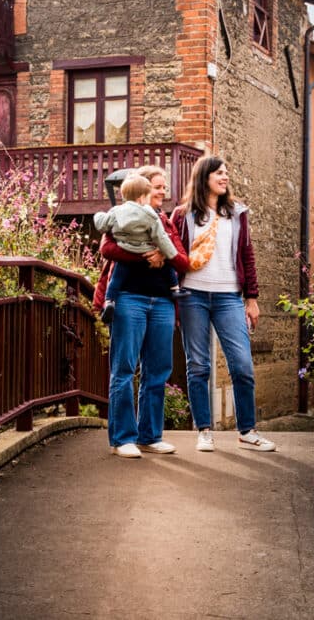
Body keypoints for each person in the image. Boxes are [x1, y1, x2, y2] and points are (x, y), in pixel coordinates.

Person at [171, 155, 276, 453]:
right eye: (219, 172)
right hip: (193, 296)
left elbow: (247, 256)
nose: (225, 176)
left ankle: (248, 431)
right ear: (204, 177)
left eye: (227, 172)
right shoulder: (183, 215)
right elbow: (172, 254)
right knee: (198, 366)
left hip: (229, 297)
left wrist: (251, 299)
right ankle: (204, 430)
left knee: (242, 365)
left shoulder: (237, 214)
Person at [95, 164, 190, 459]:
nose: (163, 192)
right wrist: (146, 254)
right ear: (142, 189)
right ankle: (123, 438)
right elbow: (108, 249)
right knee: (124, 368)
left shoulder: (166, 221)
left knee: (158, 369)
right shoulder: (123, 215)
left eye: (164, 187)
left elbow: (182, 259)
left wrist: (164, 253)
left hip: (162, 300)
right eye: (158, 186)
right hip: (129, 298)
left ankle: (150, 435)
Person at [92, 172, 181, 319]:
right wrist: (170, 254)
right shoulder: (150, 214)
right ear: (141, 197)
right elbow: (160, 236)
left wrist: (98, 215)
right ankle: (176, 289)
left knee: (116, 277)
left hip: (125, 249)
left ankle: (109, 301)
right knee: (168, 267)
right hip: (147, 249)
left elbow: (102, 225)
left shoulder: (116, 211)